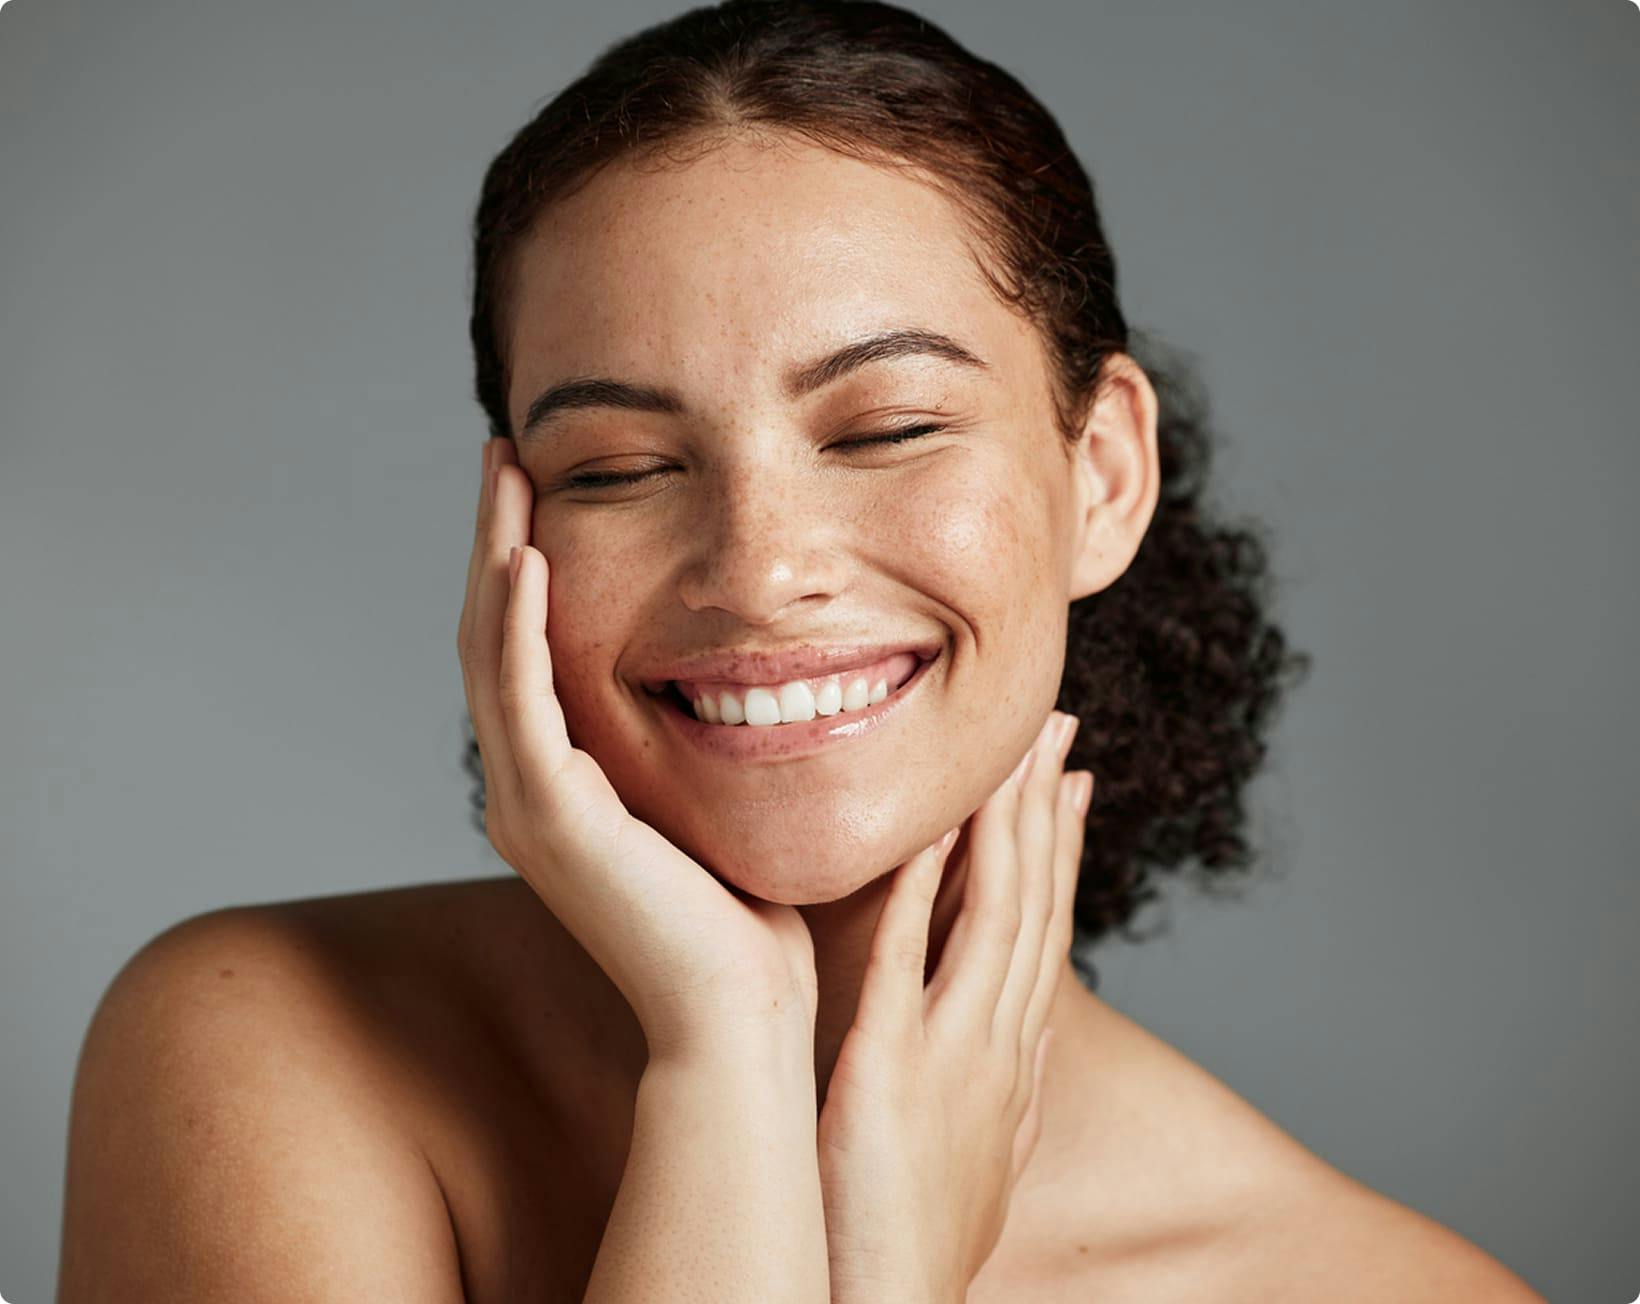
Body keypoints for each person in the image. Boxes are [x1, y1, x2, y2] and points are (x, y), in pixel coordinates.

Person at [57, 2, 1546, 1300]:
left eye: (887, 431)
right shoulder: (268, 1054)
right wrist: (728, 1062)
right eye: (619, 467)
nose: (759, 574)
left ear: (1100, 475)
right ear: (511, 523)